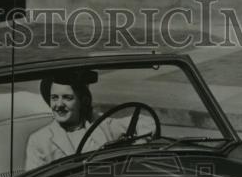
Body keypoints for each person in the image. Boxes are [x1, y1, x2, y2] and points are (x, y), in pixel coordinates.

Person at [24, 70, 153, 171]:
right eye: (54, 98)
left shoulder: (101, 125)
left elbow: (147, 123)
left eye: (67, 98)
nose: (59, 105)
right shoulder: (39, 140)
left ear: (83, 101)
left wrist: (140, 143)